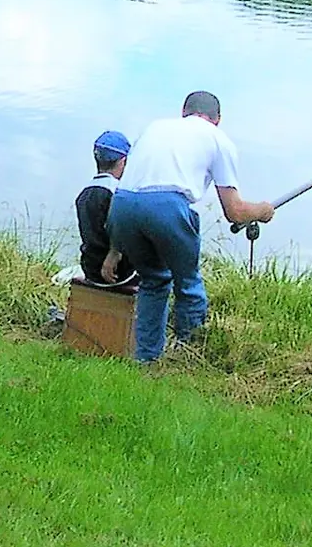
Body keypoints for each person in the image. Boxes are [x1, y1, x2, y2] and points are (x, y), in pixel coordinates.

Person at [103, 91, 273, 362]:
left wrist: (115, 250)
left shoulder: (155, 127)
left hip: (121, 206)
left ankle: (146, 360)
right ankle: (189, 356)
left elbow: (131, 184)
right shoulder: (219, 140)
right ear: (217, 119)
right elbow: (235, 211)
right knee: (188, 285)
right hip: (166, 207)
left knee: (154, 281)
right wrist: (263, 211)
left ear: (184, 113)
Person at [75, 130, 136, 288]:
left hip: (91, 271)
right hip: (121, 275)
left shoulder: (84, 194)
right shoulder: (120, 194)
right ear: (123, 161)